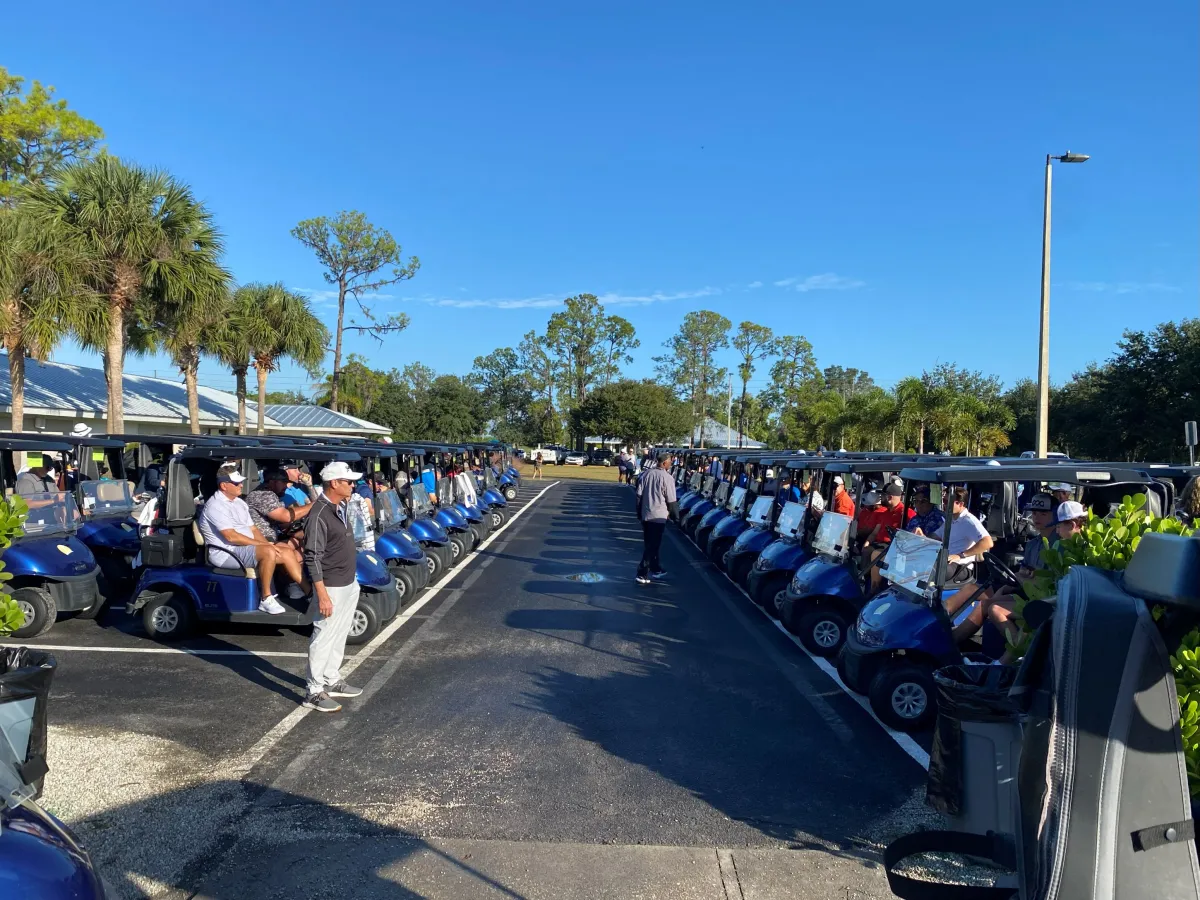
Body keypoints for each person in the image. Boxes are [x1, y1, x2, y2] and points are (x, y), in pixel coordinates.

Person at [953, 492, 1058, 647]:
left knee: (995, 608)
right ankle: (953, 642)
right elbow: (1023, 574)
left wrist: (1024, 578)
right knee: (985, 603)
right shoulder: (1033, 545)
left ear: (1054, 515)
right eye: (1034, 513)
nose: (1037, 518)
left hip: (1044, 601)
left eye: (1043, 513)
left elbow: (1046, 581)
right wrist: (1005, 587)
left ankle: (1023, 651)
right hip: (1027, 594)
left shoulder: (1058, 546)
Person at [302, 461, 366, 712]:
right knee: (324, 635)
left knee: (339, 632)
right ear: (334, 483)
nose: (353, 484)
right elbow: (312, 556)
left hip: (348, 581)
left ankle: (331, 678)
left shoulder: (339, 506)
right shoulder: (318, 514)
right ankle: (314, 691)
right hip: (330, 585)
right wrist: (323, 595)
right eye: (348, 481)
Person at [197, 469, 308, 614]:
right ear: (224, 486)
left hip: (242, 549)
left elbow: (254, 529)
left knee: (286, 551)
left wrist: (267, 544)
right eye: (236, 483)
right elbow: (231, 537)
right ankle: (265, 598)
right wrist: (264, 546)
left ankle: (309, 592)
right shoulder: (215, 506)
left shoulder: (239, 503)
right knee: (268, 551)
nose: (241, 486)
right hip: (226, 553)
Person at [246, 470, 313, 602]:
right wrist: (314, 505)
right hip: (260, 542)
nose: (286, 486)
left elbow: (284, 522)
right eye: (283, 483)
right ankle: (308, 592)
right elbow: (286, 516)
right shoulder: (263, 495)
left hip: (272, 538)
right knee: (287, 551)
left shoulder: (273, 496)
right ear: (272, 482)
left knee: (304, 540)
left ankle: (291, 584)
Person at [930, 486, 993, 614]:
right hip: (948, 563)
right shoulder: (951, 519)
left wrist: (961, 555)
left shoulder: (969, 521)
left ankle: (934, 611)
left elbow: (988, 542)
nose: (944, 505)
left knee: (931, 569)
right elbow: (935, 536)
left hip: (961, 569)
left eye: (947, 502)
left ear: (960, 503)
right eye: (944, 501)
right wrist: (920, 536)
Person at [635, 450, 677, 584]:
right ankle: (642, 572)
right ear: (664, 463)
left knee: (650, 543)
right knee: (653, 545)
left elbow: (638, 496)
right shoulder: (667, 478)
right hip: (658, 516)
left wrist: (638, 512)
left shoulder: (646, 474)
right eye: (670, 462)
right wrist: (676, 516)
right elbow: (671, 500)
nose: (670, 465)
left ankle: (656, 568)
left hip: (646, 514)